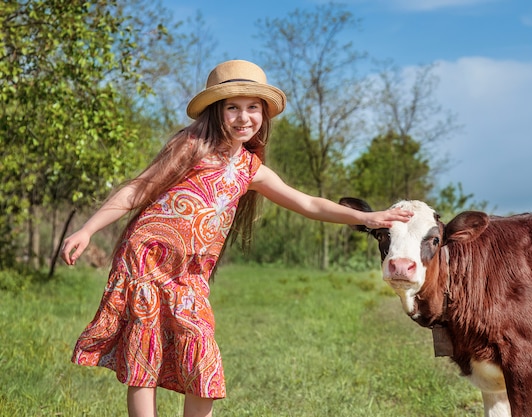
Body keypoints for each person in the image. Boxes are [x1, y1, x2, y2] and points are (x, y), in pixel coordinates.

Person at [61, 59, 412, 417]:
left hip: (189, 277)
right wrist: (88, 229)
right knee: (145, 354)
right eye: (233, 107)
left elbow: (307, 202)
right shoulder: (191, 145)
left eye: (252, 108)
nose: (243, 117)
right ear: (217, 111)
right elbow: (140, 188)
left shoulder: (250, 169)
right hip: (146, 261)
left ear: (263, 115)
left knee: (202, 356)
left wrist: (366, 216)